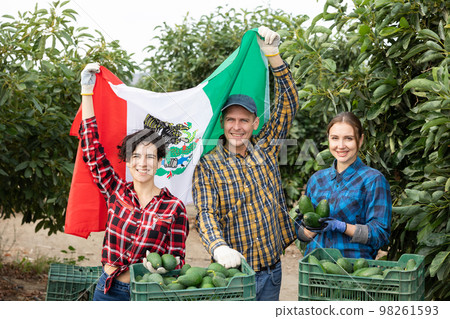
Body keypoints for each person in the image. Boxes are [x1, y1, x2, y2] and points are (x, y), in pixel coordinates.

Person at [192, 26, 299, 301]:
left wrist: (274, 56)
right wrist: (218, 247)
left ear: (254, 123)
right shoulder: (208, 166)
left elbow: (288, 104)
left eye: (243, 120)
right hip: (235, 276)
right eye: (230, 120)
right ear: (222, 123)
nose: (236, 126)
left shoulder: (267, 147)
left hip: (273, 271)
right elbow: (206, 213)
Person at [78, 63, 189, 301]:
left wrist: (164, 270)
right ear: (128, 161)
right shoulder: (116, 192)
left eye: (150, 156)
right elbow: (92, 150)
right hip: (108, 290)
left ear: (159, 162)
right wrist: (87, 93)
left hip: (147, 294)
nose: (143, 163)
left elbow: (177, 261)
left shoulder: (174, 208)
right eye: (136, 156)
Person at [295, 112, 392, 260]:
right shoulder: (317, 180)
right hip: (314, 270)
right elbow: (302, 236)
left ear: (360, 140)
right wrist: (308, 227)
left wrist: (343, 227)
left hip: (353, 271)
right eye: (335, 138)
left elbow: (381, 235)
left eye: (348, 138)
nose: (341, 146)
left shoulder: (373, 180)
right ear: (328, 140)